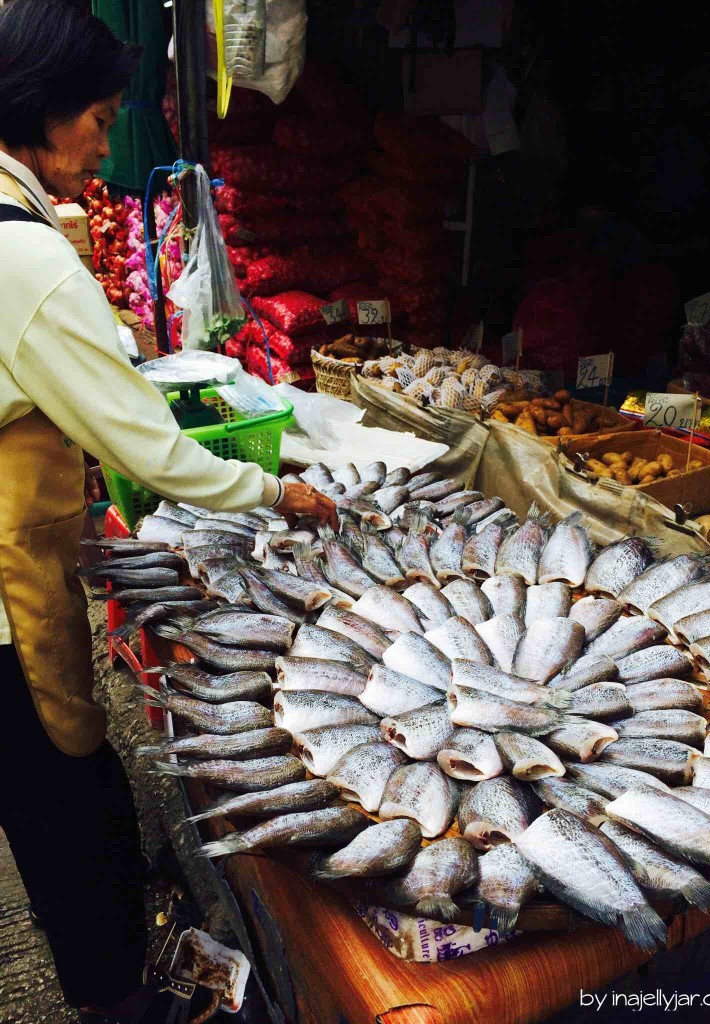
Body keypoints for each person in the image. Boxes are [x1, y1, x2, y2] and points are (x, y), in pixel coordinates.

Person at [0, 3, 337, 1022]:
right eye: (98, 119)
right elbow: (150, 450)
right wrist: (281, 491)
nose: (106, 141)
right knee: (57, 792)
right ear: (40, 112)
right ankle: (118, 995)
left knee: (63, 785)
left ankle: (116, 934)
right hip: (2, 597)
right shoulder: (27, 258)